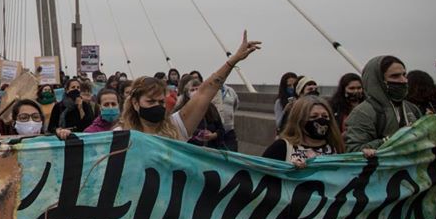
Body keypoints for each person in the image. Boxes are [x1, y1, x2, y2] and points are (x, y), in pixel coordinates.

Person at [115, 31, 260, 140]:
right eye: (150, 101)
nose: (157, 106)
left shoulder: (177, 127)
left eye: (161, 102)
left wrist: (232, 61)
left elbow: (204, 93)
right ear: (135, 103)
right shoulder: (120, 136)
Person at [345, 55, 420, 152]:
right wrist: (393, 139)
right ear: (378, 80)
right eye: (395, 76)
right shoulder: (363, 113)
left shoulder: (411, 108)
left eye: (404, 75)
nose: (403, 80)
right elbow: (354, 150)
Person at [262, 96, 352, 167]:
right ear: (299, 120)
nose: (321, 120)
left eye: (325, 116)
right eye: (313, 117)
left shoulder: (337, 147)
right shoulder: (282, 147)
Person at [174, 73, 224, 148]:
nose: (195, 92)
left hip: (210, 148)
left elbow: (221, 129)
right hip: (189, 149)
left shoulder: (211, 108)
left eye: (198, 89)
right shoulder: (181, 109)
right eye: (192, 90)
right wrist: (197, 134)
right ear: (187, 93)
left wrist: (213, 135)